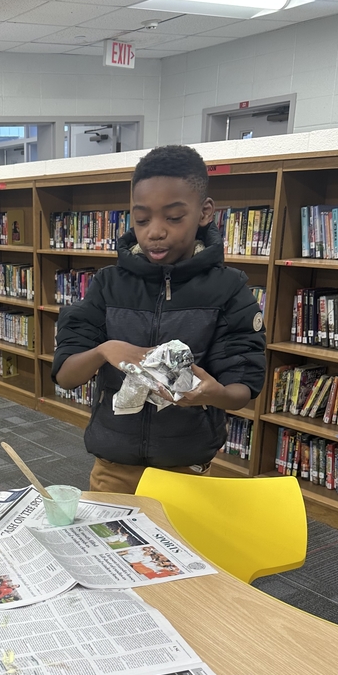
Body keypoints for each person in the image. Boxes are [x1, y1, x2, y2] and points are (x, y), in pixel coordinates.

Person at [52, 144, 266, 494]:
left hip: (186, 469)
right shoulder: (107, 285)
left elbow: (241, 385)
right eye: (142, 219)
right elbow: (65, 375)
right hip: (113, 467)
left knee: (181, 547)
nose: (155, 231)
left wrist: (216, 394)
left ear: (205, 212)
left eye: (173, 217)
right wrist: (105, 350)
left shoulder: (228, 289)